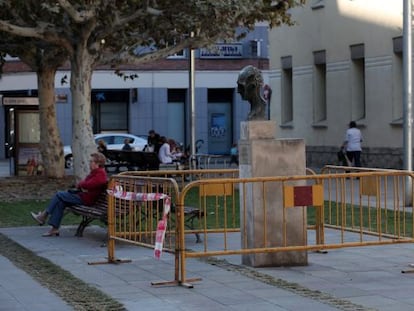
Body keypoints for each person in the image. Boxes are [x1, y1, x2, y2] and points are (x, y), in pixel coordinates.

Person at [30, 152, 108, 237]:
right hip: (83, 196)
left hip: (86, 200)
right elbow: (85, 183)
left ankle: (43, 216)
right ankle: (54, 229)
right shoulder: (95, 173)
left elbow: (87, 184)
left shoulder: (100, 175)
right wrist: (82, 184)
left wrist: (82, 184)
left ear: (98, 164)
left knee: (59, 194)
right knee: (60, 202)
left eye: (91, 161)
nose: (89, 163)